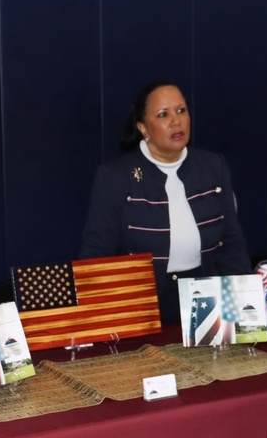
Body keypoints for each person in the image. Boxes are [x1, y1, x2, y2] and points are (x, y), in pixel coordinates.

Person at [79, 81, 251, 322]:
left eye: (181, 110)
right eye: (163, 115)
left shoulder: (213, 167)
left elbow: (232, 244)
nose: (176, 121)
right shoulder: (115, 176)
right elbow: (97, 253)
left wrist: (248, 310)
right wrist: (93, 318)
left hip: (205, 302)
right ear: (143, 128)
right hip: (138, 306)